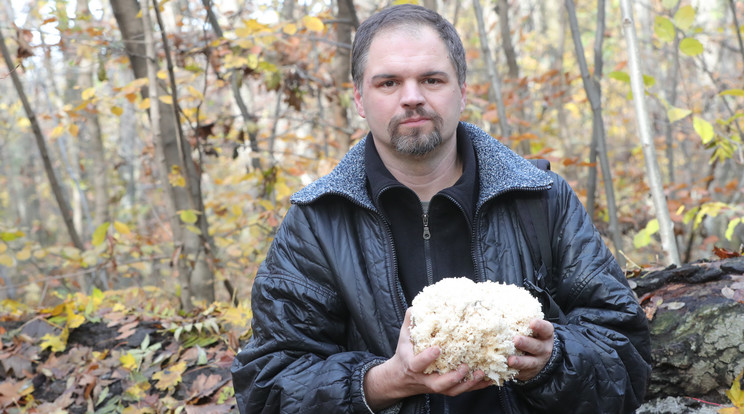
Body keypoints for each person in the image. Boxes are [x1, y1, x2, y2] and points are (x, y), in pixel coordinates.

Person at [231, 4, 651, 413]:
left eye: (432, 80)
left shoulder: (540, 199)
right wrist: (384, 382)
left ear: (461, 91)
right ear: (360, 100)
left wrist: (550, 361)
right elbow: (268, 385)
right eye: (388, 83)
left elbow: (624, 351)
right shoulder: (318, 221)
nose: (412, 98)